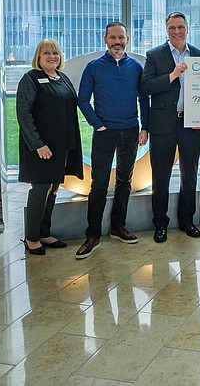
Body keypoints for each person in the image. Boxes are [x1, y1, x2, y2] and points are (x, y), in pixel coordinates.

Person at [75, 22, 149, 259]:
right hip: (104, 133)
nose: (117, 41)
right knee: (98, 183)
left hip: (130, 130)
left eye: (121, 37)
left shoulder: (135, 67)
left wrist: (144, 127)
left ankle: (118, 226)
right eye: (113, 37)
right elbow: (83, 99)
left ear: (127, 39)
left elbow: (143, 99)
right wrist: (98, 124)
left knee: (125, 180)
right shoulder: (94, 67)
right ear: (105, 39)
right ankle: (93, 234)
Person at [141, 12, 200, 243]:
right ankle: (160, 224)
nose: (176, 31)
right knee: (161, 176)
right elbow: (146, 87)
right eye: (171, 28)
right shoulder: (154, 55)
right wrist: (172, 75)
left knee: (190, 174)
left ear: (187, 28)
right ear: (166, 30)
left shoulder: (199, 55)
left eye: (180, 27)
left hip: (190, 124)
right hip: (162, 125)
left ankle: (187, 220)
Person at [17, 39, 83, 255]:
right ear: (38, 56)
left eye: (55, 52)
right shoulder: (30, 79)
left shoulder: (61, 77)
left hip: (60, 146)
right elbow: (24, 114)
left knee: (53, 189)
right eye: (47, 52)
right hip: (41, 148)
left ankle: (44, 233)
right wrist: (38, 144)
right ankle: (31, 237)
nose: (52, 56)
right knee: (40, 189)